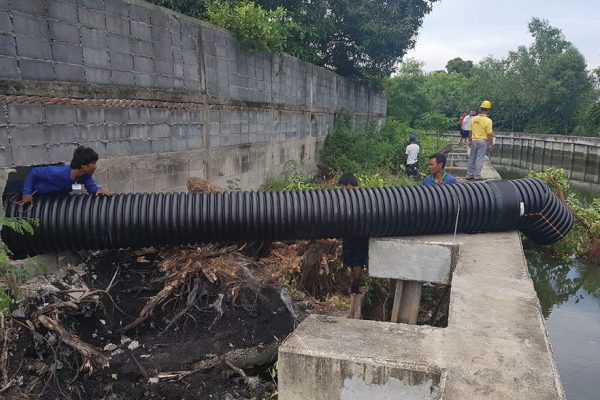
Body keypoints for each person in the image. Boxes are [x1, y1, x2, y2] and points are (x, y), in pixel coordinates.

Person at [14, 146, 112, 205]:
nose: (95, 167)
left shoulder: (84, 176)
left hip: (46, 198)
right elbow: (33, 172)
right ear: (83, 165)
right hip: (22, 190)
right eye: (93, 163)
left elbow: (91, 187)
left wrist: (98, 190)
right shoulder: (57, 172)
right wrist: (26, 193)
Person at [338, 172, 369, 319]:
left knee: (353, 263)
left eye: (343, 187)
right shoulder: (367, 195)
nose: (342, 190)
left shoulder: (354, 196)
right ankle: (355, 291)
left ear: (349, 185)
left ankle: (354, 291)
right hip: (358, 235)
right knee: (357, 263)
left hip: (353, 235)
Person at [466, 100, 494, 181]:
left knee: (472, 158)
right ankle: (477, 176)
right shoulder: (488, 120)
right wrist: (491, 144)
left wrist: (470, 141)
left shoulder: (474, 119)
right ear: (488, 110)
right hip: (482, 141)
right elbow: (489, 134)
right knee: (479, 159)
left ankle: (469, 175)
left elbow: (470, 132)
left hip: (474, 140)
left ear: (480, 108)